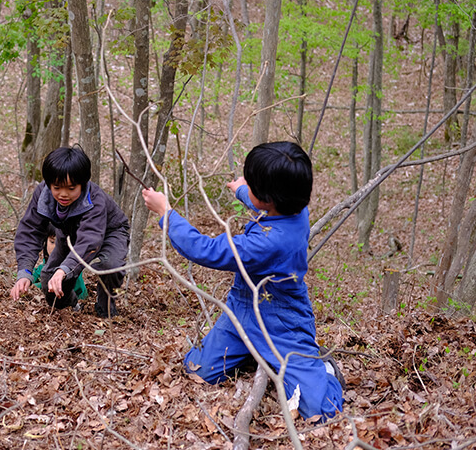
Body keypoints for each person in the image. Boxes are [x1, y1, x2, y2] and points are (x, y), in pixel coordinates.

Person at [142, 141, 344, 422]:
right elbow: (266, 202)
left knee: (321, 411)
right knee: (199, 371)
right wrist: (241, 190)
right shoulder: (293, 208)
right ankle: (253, 352)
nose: (247, 185)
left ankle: (324, 370)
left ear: (269, 197)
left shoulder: (269, 242)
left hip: (282, 320)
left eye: (252, 184)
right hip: (241, 308)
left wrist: (167, 213)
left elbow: (207, 250)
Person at [10, 146, 129, 318]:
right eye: (57, 187)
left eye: (71, 188)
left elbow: (90, 240)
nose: (63, 194)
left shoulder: (95, 200)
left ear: (83, 183)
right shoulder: (42, 194)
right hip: (69, 234)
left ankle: (106, 309)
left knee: (110, 266)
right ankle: (72, 306)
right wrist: (25, 273)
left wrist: (64, 270)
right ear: (49, 183)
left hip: (111, 232)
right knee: (49, 282)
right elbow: (30, 231)